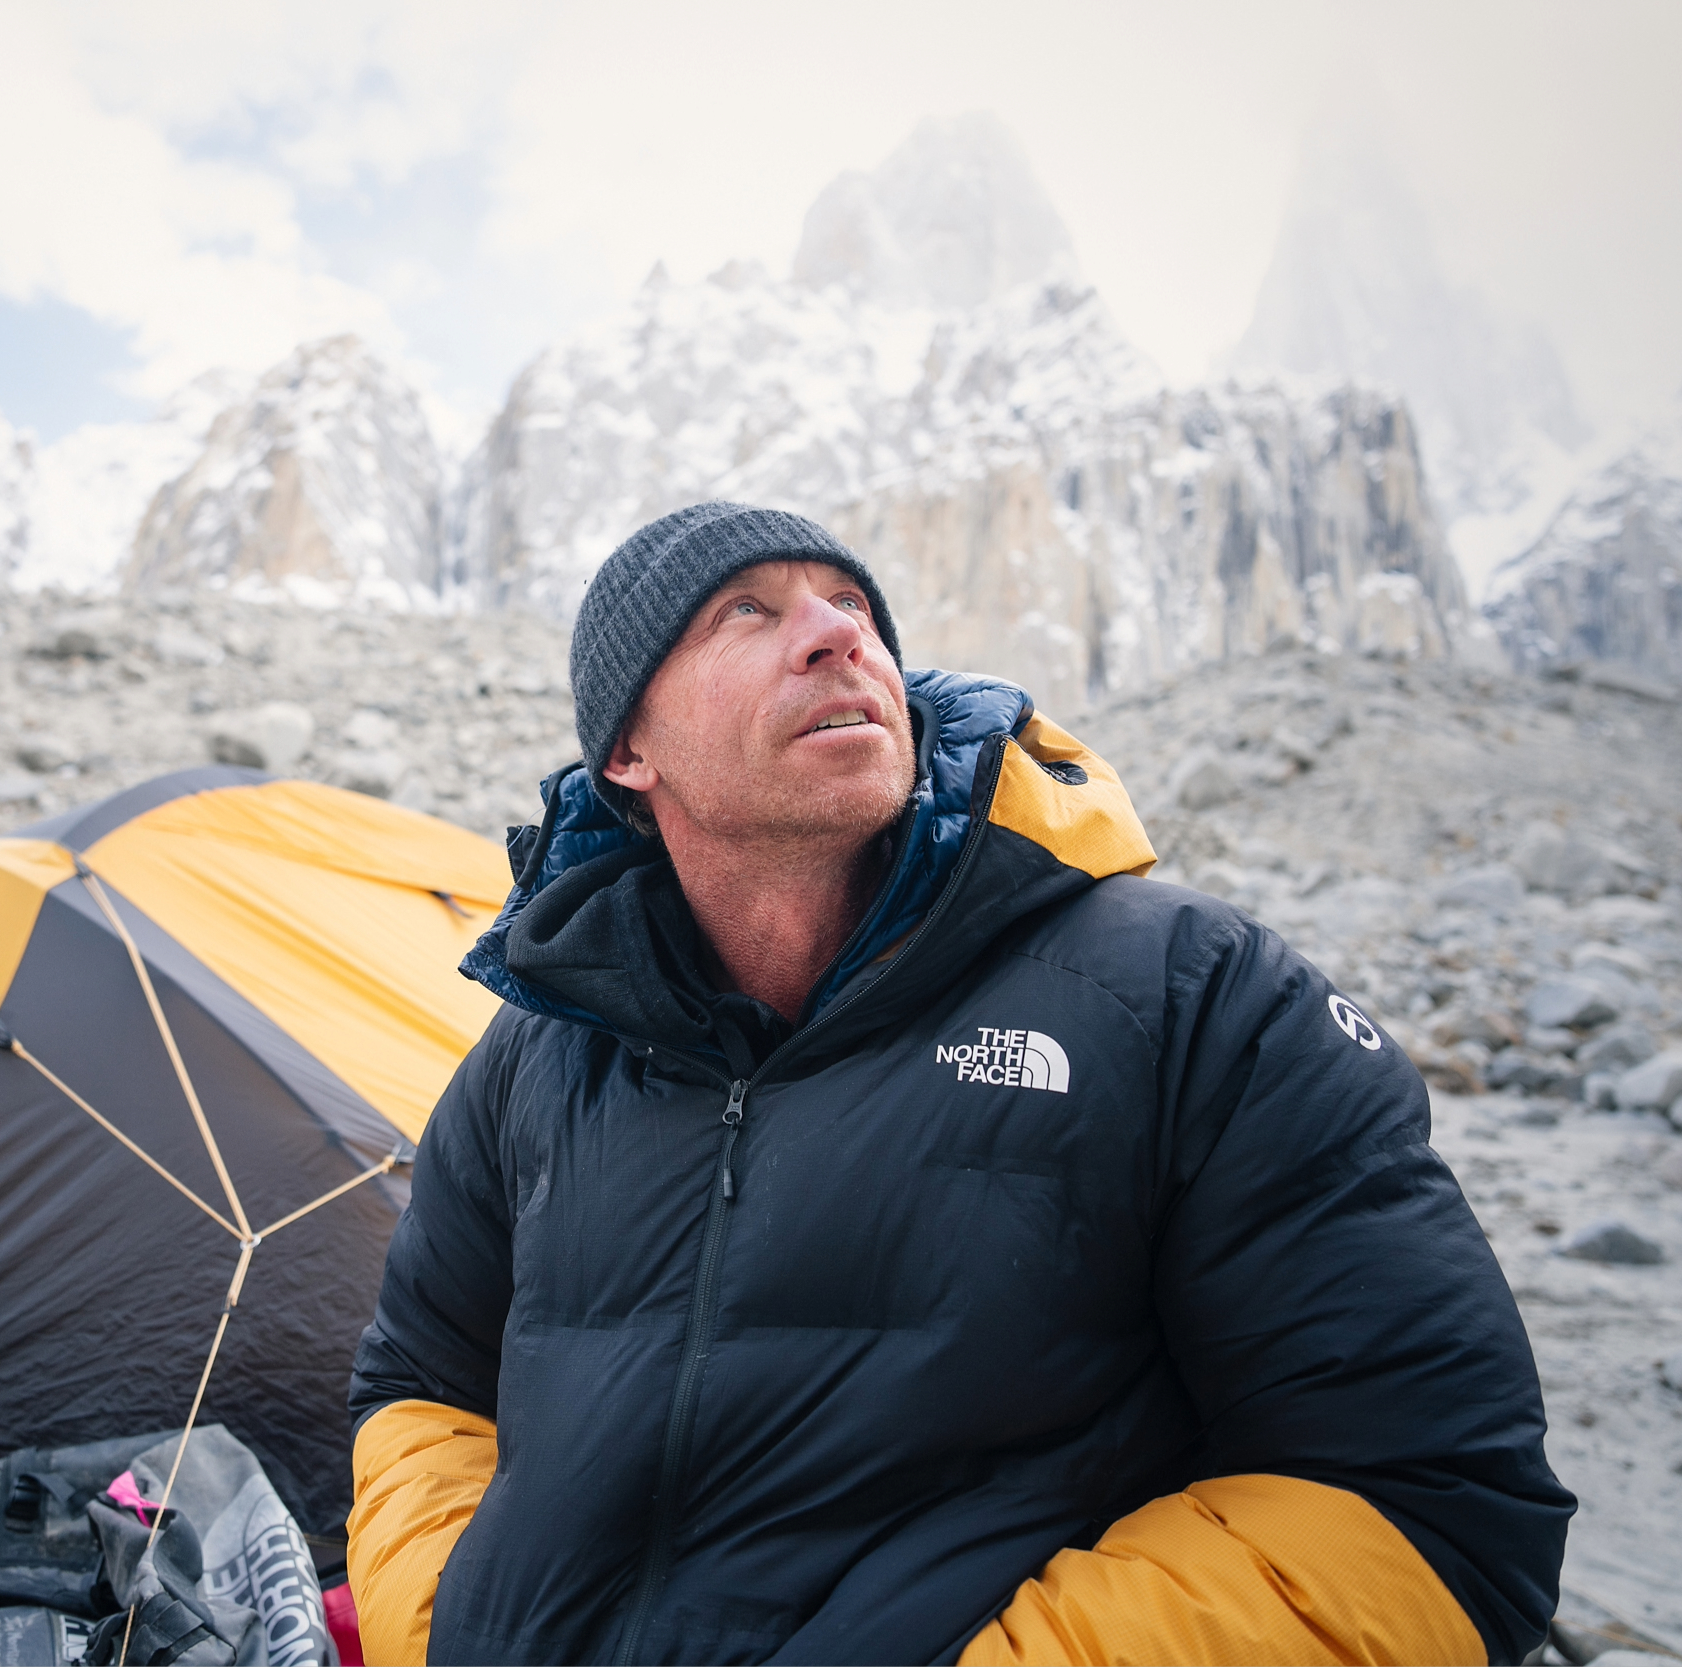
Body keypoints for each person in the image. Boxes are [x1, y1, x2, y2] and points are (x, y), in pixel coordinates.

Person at [344, 503, 1570, 1665]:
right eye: (744, 612)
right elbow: (420, 1384)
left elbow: (1427, 1502)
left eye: (850, 605)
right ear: (628, 749)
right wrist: (450, 1632)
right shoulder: (541, 1051)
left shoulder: (1187, 995)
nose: (835, 634)